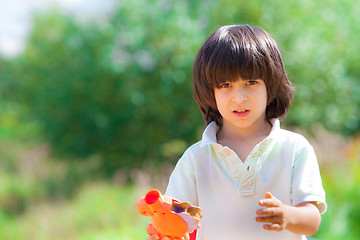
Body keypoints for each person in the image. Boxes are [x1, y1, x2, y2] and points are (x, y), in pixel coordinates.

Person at [164, 24, 327, 240]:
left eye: (251, 82)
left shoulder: (294, 148)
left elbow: (312, 221)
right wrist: (165, 233)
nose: (239, 97)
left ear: (271, 85)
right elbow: (175, 219)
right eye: (225, 85)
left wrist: (287, 216)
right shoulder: (195, 159)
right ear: (210, 92)